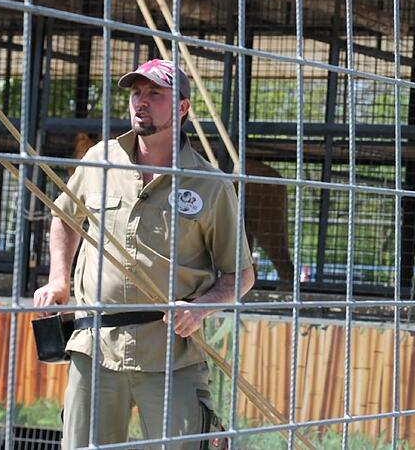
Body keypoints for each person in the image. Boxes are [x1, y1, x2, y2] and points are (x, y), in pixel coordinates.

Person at [33, 59, 255, 449]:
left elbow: (240, 275)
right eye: (136, 93)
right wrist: (59, 279)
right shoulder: (99, 160)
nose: (141, 102)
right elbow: (64, 220)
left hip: (170, 352)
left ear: (183, 107)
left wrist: (201, 308)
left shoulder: (211, 185)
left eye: (155, 93)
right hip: (95, 347)